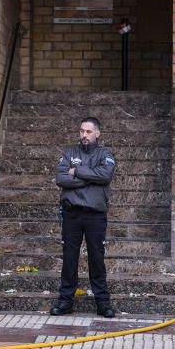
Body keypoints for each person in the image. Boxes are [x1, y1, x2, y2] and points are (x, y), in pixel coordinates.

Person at [50, 117, 116, 318]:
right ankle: (65, 301)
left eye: (88, 132)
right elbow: (61, 178)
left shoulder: (105, 154)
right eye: (81, 131)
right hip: (72, 214)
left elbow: (105, 176)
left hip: (95, 215)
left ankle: (103, 303)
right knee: (70, 258)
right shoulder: (69, 153)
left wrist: (77, 172)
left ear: (97, 133)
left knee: (97, 258)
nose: (84, 135)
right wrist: (89, 179)